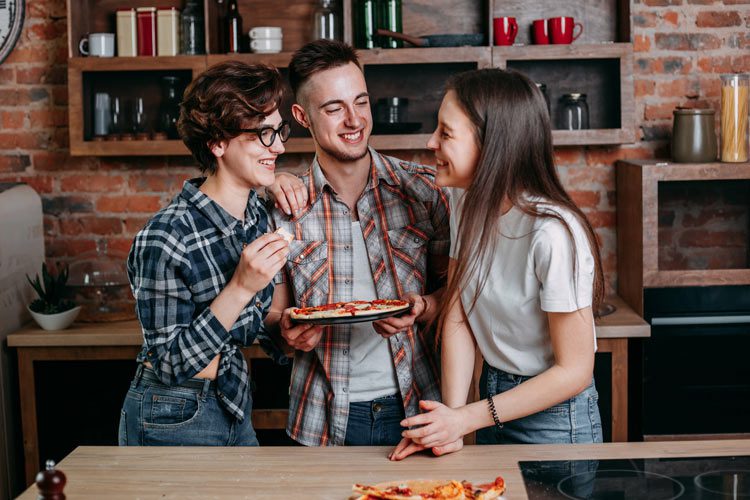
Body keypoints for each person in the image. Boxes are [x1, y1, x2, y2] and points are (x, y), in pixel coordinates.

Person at [390, 68, 605, 460]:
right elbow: (458, 311)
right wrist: (451, 422)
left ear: (492, 145)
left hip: (555, 419)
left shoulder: (553, 233)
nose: (430, 142)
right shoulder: (465, 199)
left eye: (445, 132)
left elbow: (574, 371)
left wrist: (466, 418)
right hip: (491, 403)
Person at [264, 39, 451, 447]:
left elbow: (453, 291)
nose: (354, 120)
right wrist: (286, 331)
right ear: (302, 117)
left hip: (420, 408)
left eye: (361, 102)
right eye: (334, 109)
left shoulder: (422, 190)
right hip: (321, 417)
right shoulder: (282, 207)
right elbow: (274, 315)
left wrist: (424, 307)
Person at [119, 61, 292, 446]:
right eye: (263, 134)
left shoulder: (257, 216)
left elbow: (245, 326)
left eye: (279, 130)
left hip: (233, 401)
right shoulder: (165, 237)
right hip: (170, 412)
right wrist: (241, 287)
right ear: (217, 143)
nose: (279, 146)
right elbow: (168, 363)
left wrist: (284, 333)